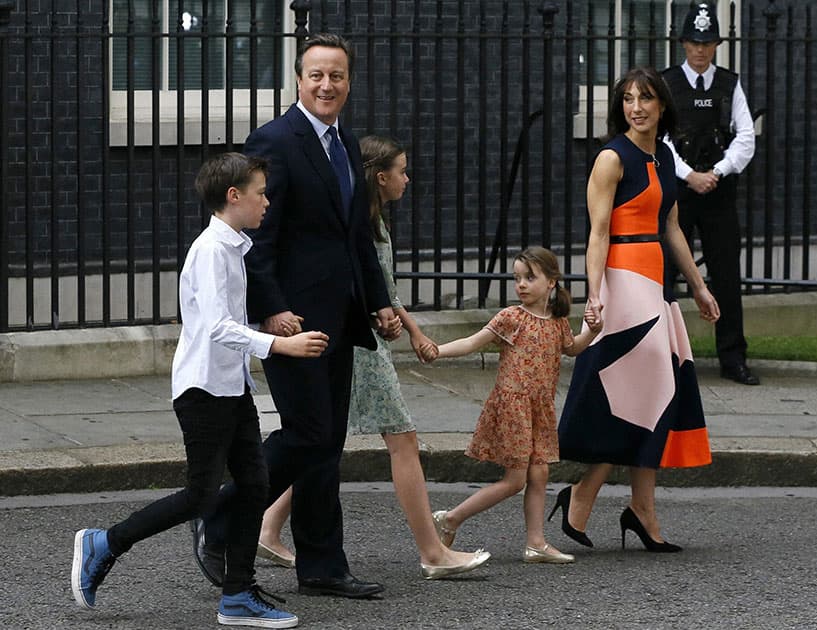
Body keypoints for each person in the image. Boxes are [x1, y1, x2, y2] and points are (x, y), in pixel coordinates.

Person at [71, 152, 331, 628]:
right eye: (260, 192)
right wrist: (280, 344)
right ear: (234, 197)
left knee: (255, 485)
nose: (267, 202)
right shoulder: (211, 251)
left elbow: (223, 322)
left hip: (230, 386)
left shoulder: (232, 248)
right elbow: (215, 327)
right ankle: (106, 542)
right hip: (203, 391)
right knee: (200, 496)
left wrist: (265, 330)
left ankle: (236, 597)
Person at [192, 33, 403, 600]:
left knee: (326, 440)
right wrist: (273, 309)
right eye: (316, 75)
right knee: (308, 432)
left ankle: (322, 565)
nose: (326, 85)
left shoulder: (346, 142)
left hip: (339, 317)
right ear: (299, 80)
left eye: (336, 75)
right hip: (290, 324)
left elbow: (355, 234)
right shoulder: (275, 141)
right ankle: (219, 518)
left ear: (349, 82)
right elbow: (258, 238)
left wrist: (380, 301)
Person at [256, 135, 491, 580]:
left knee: (323, 443)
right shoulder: (361, 223)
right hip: (361, 346)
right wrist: (410, 329)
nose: (407, 178)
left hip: (366, 338)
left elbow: (384, 292)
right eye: (402, 170)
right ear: (380, 177)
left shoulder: (372, 220)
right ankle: (433, 552)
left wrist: (412, 328)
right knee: (400, 439)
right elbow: (372, 289)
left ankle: (267, 526)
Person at [555, 67, 719, 553]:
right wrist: (595, 292)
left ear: (662, 105)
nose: (637, 107)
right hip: (624, 279)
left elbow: (671, 227)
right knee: (650, 389)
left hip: (656, 281)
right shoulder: (611, 157)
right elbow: (598, 232)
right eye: (628, 99)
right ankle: (600, 497)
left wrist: (699, 286)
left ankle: (631, 507)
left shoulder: (665, 155)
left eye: (646, 98)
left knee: (652, 393)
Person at [423, 246, 603, 565]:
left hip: (540, 408)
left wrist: (593, 330)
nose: (520, 284)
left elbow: (573, 348)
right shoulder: (511, 317)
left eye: (529, 277)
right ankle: (450, 519)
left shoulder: (558, 322)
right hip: (513, 406)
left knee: (540, 473)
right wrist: (437, 350)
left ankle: (536, 543)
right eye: (517, 277)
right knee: (515, 481)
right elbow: (472, 342)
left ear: (551, 282)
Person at [661, 1, 758, 385]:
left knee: (726, 275)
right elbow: (659, 138)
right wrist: (689, 175)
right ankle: (664, 357)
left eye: (708, 42)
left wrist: (715, 172)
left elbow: (745, 138)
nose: (700, 49)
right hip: (679, 195)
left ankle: (732, 357)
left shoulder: (729, 84)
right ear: (683, 43)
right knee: (666, 274)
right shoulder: (666, 83)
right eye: (694, 42)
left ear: (716, 44)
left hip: (717, 193)